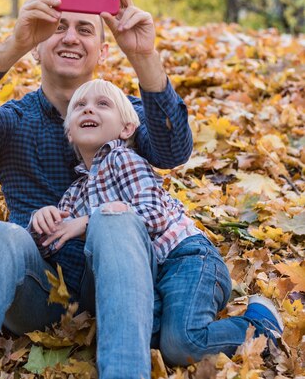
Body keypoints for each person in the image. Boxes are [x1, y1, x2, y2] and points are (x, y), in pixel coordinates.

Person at [0, 0, 282, 379]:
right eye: (58, 27)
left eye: (85, 29)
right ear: (38, 47)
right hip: (43, 298)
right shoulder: (12, 123)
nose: (70, 37)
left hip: (126, 292)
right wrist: (14, 44)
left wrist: (143, 56)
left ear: (102, 51)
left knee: (114, 216)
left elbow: (174, 149)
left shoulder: (121, 118)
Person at [29, 78, 284, 377]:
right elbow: (51, 243)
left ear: (126, 129)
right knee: (148, 343)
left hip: (185, 259)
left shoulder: (122, 159)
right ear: (69, 132)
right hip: (148, 276)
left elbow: (154, 215)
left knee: (183, 343)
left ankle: (260, 324)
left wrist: (88, 221)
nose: (88, 110)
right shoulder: (76, 192)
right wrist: (42, 220)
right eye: (80, 107)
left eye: (102, 105)